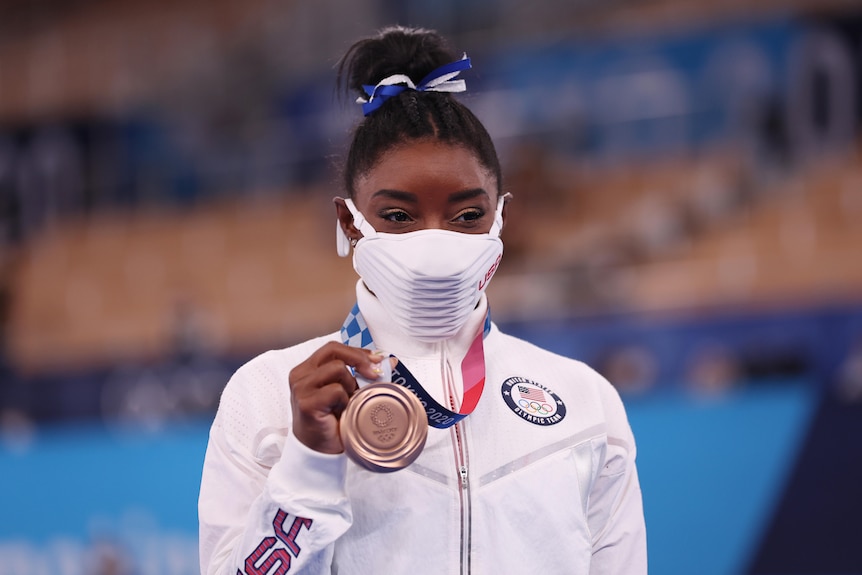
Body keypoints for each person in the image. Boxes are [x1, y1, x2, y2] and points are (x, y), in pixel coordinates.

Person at [198, 25, 646, 574]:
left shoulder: (584, 402)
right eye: (398, 216)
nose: (435, 240)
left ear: (500, 218)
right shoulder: (268, 395)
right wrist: (309, 468)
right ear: (350, 222)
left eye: (465, 215)